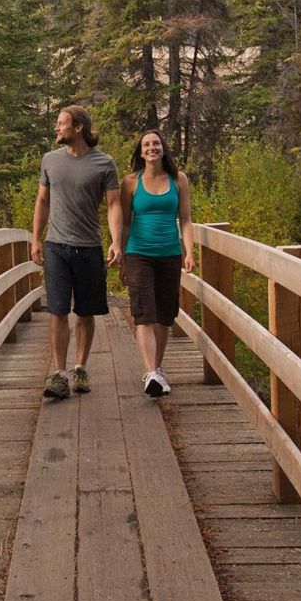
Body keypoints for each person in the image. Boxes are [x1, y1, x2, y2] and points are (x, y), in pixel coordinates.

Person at [30, 105, 123, 400]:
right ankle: (59, 374)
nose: (57, 128)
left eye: (61, 123)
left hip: (89, 247)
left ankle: (80, 367)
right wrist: (35, 239)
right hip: (56, 246)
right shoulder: (49, 160)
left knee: (85, 311)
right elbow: (42, 201)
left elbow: (113, 205)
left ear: (78, 127)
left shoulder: (104, 163)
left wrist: (116, 241)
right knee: (57, 310)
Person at [117, 130, 193, 397]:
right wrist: (123, 256)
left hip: (170, 253)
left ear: (163, 148)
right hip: (139, 253)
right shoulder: (130, 183)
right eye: (146, 145)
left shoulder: (178, 179)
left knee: (164, 315)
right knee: (144, 313)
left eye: (156, 144)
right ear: (140, 151)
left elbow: (185, 219)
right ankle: (150, 371)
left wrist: (189, 252)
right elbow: (125, 222)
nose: (151, 148)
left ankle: (157, 371)